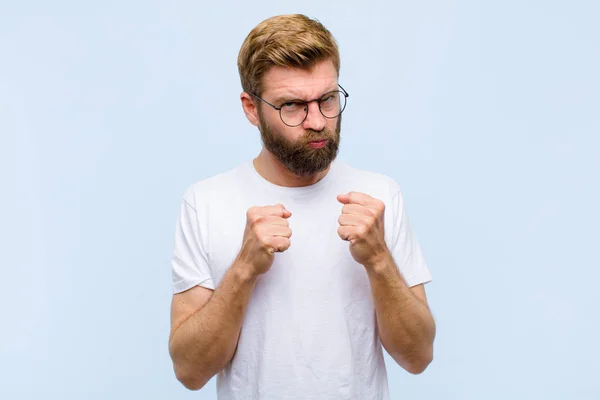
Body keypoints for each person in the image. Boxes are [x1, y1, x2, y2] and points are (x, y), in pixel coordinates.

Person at [168, 14, 435, 400]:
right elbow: (189, 371)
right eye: (292, 105)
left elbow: (418, 356)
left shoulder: (380, 196)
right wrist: (243, 269)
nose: (316, 121)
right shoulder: (206, 202)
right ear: (250, 108)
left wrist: (378, 259)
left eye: (327, 99)